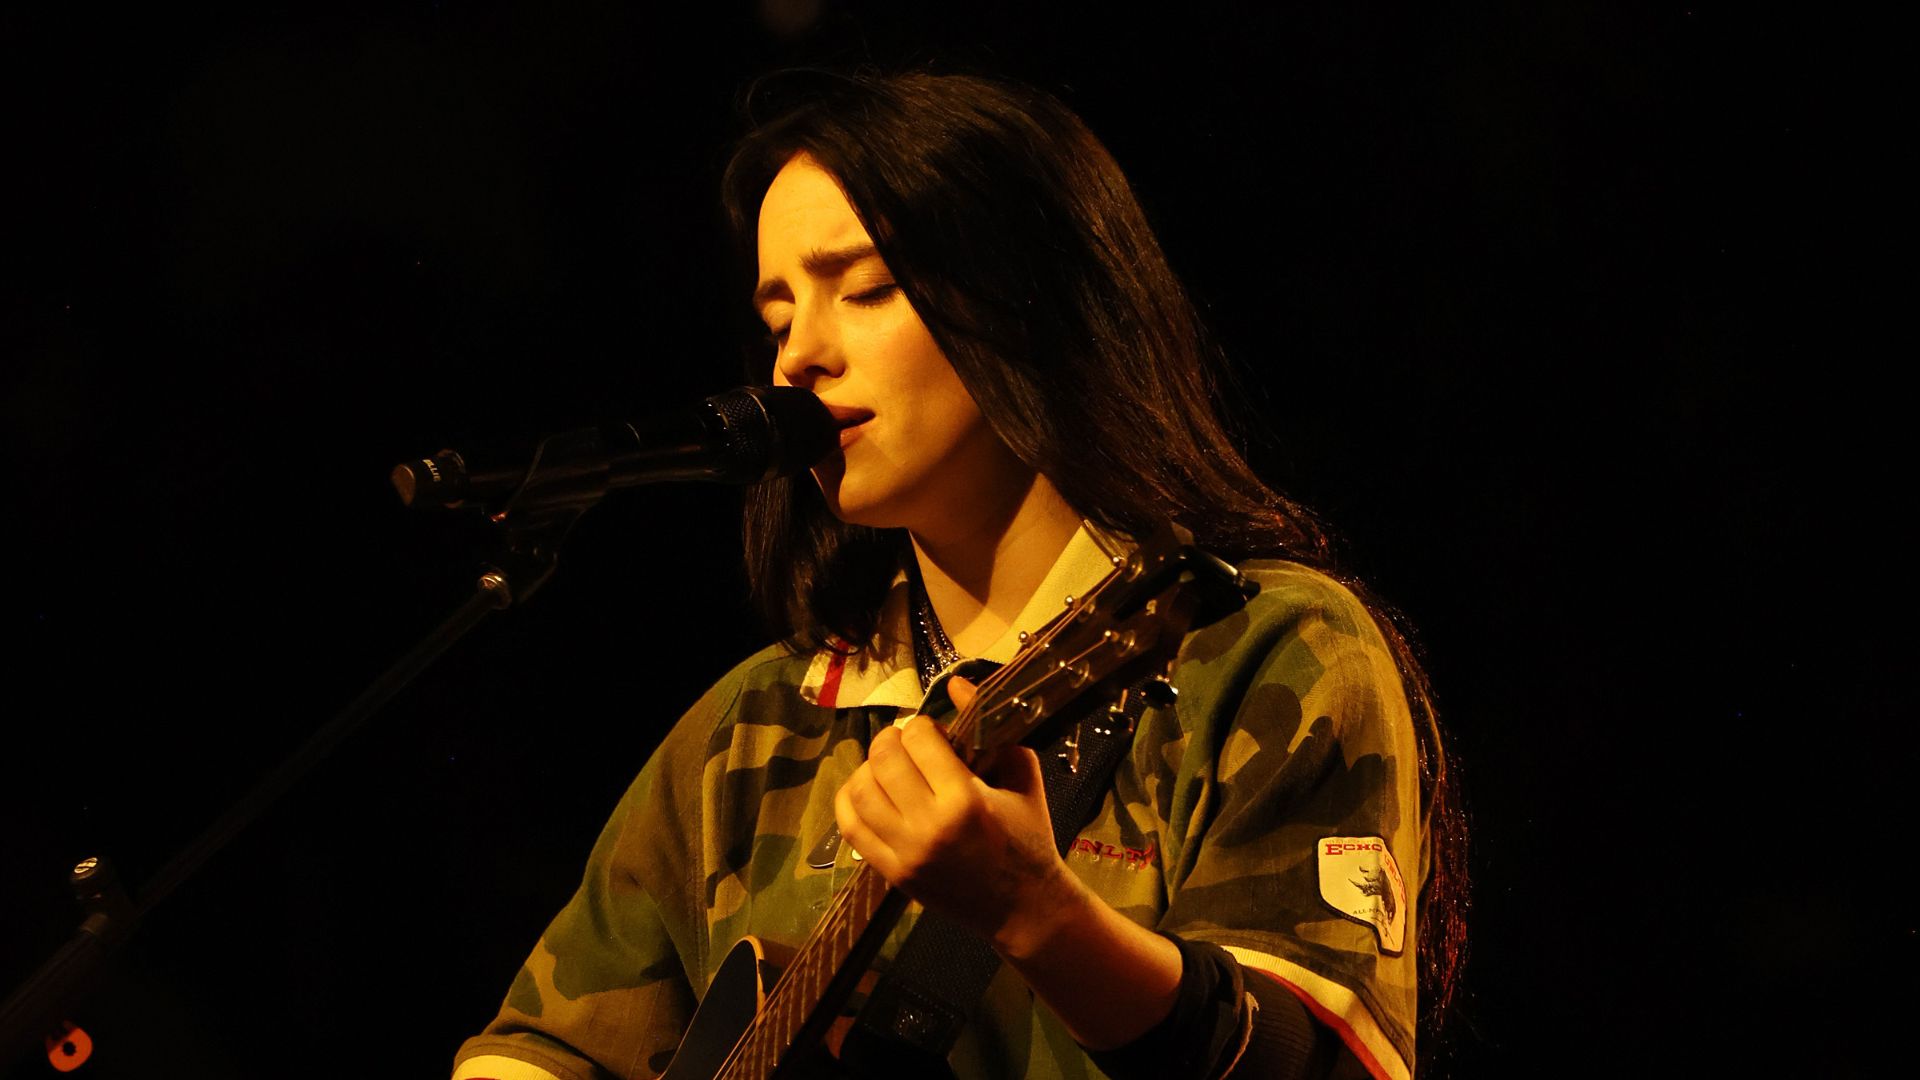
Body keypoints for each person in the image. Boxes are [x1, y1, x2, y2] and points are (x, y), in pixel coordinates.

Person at [453, 69, 1465, 1080]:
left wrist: (1037, 912)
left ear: (1032, 301)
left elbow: (1322, 1063)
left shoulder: (1263, 649)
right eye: (777, 320)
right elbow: (541, 1047)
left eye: (864, 289)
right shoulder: (753, 728)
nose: (798, 359)